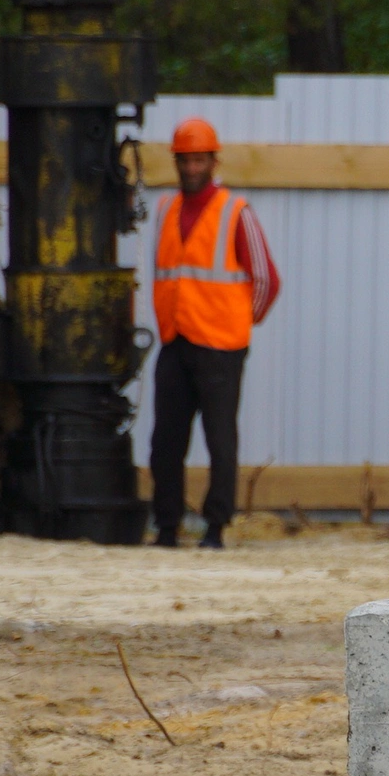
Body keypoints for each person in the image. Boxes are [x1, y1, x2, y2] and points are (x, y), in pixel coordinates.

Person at [149, 117, 280, 550]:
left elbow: (266, 279)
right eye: (184, 160)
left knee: (220, 441)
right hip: (176, 339)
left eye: (198, 160)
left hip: (221, 348)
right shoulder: (166, 209)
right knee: (166, 440)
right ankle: (166, 528)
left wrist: (241, 323)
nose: (190, 168)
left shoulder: (236, 211)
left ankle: (215, 528)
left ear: (212, 161)